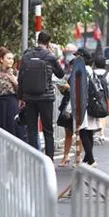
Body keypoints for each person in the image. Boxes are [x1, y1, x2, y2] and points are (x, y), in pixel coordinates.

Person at [17, 31, 65, 160]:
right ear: (48, 42)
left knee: (32, 130)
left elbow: (20, 78)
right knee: (48, 131)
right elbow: (61, 74)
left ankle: (35, 160)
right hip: (46, 98)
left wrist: (20, 97)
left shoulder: (26, 56)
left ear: (37, 40)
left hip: (30, 98)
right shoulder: (50, 56)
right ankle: (49, 160)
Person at [74, 48, 101, 166]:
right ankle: (87, 159)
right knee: (88, 131)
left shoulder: (82, 70)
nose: (74, 58)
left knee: (83, 131)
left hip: (83, 104)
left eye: (77, 56)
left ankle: (91, 159)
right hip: (91, 104)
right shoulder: (91, 70)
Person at [0, 47, 22, 137]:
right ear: (1, 59)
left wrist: (15, 82)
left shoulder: (16, 73)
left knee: (13, 130)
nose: (11, 61)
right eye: (9, 58)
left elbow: (22, 92)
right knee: (0, 132)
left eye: (12, 59)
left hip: (12, 104)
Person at [93, 55, 109, 144]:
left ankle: (94, 133)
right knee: (103, 114)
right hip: (105, 97)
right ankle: (102, 134)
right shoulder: (107, 73)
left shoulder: (92, 72)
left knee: (94, 114)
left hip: (95, 96)